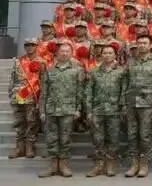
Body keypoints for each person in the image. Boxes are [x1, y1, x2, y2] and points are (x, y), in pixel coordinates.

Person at [122, 33, 152, 178]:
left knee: (145, 134)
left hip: (148, 103)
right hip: (131, 102)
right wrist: (123, 102)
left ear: (150, 45)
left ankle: (144, 163)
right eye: (139, 43)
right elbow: (125, 82)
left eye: (144, 43)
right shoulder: (131, 61)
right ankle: (134, 163)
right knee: (131, 134)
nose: (142, 45)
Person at [38, 42, 85, 178]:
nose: (64, 54)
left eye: (67, 51)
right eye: (62, 51)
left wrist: (78, 109)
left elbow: (80, 92)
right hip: (51, 110)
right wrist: (42, 111)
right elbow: (44, 93)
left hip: (68, 109)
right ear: (57, 54)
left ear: (71, 54)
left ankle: (64, 165)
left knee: (65, 138)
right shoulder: (49, 70)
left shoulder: (77, 70)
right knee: (51, 138)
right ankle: (53, 165)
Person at [84, 44, 125, 177]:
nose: (107, 55)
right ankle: (99, 164)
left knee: (113, 138)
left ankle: (111, 163)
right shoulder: (94, 72)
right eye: (105, 53)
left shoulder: (121, 72)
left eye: (110, 53)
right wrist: (89, 111)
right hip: (97, 110)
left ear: (115, 55)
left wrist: (122, 108)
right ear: (101, 55)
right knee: (97, 139)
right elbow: (88, 92)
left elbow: (124, 91)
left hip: (114, 111)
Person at [8, 38, 44, 159]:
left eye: (32, 45)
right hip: (19, 95)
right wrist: (11, 94)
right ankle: (19, 148)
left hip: (33, 96)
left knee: (31, 121)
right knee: (20, 121)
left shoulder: (42, 62)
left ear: (36, 47)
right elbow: (13, 79)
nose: (30, 47)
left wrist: (41, 98)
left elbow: (44, 81)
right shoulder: (18, 61)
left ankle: (29, 147)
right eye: (27, 45)